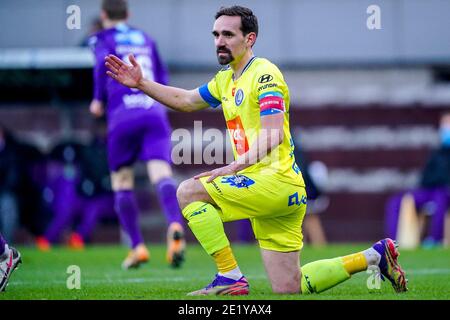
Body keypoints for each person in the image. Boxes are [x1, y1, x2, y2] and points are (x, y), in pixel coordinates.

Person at [105, 5, 407, 295]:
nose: (219, 42)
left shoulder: (264, 74)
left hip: (274, 181)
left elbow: (273, 135)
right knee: (290, 285)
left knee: (187, 192)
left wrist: (236, 166)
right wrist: (142, 83)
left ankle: (229, 276)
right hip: (277, 189)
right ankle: (375, 256)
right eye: (216, 35)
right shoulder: (225, 79)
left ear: (249, 39)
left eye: (228, 35)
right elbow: (185, 101)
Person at [89, 0, 185, 269]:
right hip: (153, 112)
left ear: (104, 14)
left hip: (122, 116)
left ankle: (137, 246)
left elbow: (101, 67)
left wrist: (97, 100)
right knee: (161, 175)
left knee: (122, 180)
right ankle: (175, 223)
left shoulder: (101, 38)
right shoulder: (146, 38)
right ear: (128, 14)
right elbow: (162, 78)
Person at [385, 112, 450, 247]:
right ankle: (391, 243)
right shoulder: (437, 152)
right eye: (444, 124)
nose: (446, 128)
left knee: (441, 195)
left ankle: (435, 240)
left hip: (444, 193)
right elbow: (425, 178)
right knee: (397, 200)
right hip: (430, 191)